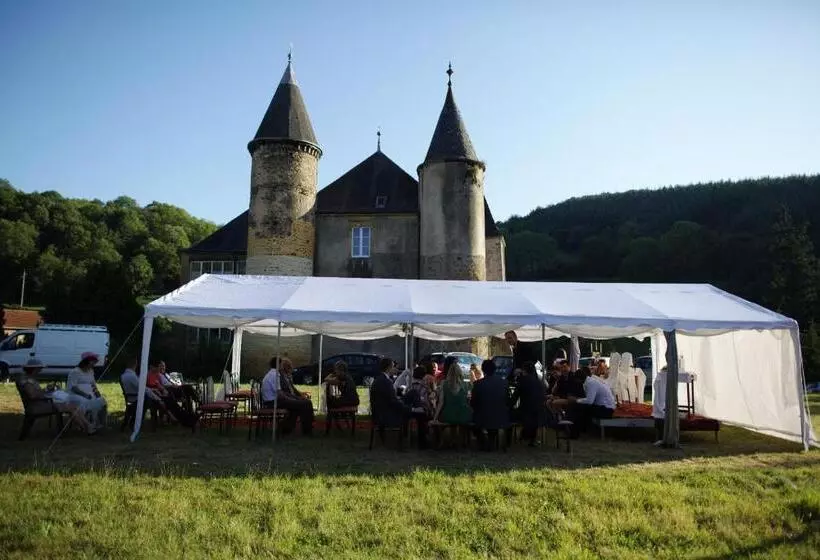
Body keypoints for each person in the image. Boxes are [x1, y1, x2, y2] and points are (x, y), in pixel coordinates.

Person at [19, 358, 96, 434]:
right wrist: (47, 395)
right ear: (34, 369)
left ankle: (86, 426)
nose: (40, 370)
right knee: (71, 407)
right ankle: (86, 427)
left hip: (40, 404)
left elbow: (36, 393)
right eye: (39, 368)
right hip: (38, 406)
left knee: (73, 406)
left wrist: (46, 390)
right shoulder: (27, 381)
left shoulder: (29, 379)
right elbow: (33, 395)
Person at [471, 359, 511, 450]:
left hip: (483, 417)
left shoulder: (478, 384)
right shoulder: (504, 383)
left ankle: (485, 442)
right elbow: (507, 400)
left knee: (473, 422)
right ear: (495, 369)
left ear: (483, 370)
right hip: (501, 416)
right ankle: (490, 441)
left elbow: (473, 403)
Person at [567, 366, 616, 436]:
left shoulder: (591, 383)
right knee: (580, 407)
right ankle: (577, 430)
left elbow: (589, 401)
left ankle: (574, 433)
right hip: (603, 407)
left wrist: (575, 400)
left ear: (579, 379)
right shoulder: (589, 381)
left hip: (606, 410)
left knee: (578, 408)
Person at [370, 357, 410, 437]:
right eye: (393, 367)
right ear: (388, 368)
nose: (395, 369)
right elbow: (393, 401)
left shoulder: (379, 379)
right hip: (385, 415)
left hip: (378, 413)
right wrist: (407, 408)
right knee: (407, 413)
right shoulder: (386, 381)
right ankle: (404, 438)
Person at [66, 352, 107, 431]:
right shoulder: (75, 372)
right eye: (93, 362)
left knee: (102, 401)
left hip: (90, 395)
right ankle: (86, 425)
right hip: (75, 396)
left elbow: (93, 385)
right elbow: (73, 388)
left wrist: (97, 393)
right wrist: (85, 395)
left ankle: (101, 424)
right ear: (87, 362)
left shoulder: (91, 371)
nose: (94, 364)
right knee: (84, 401)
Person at [510, 362, 546, 447]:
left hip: (526, 413)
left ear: (524, 371)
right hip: (540, 413)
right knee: (532, 413)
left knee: (510, 414)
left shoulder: (523, 381)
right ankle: (530, 437)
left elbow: (514, 398)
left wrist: (509, 405)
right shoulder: (539, 382)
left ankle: (508, 440)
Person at [276, 358, 314, 436]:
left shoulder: (287, 376)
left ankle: (288, 428)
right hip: (284, 400)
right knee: (306, 404)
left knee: (305, 403)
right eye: (289, 367)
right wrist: (296, 398)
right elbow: (284, 392)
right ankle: (307, 430)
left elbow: (293, 389)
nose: (291, 368)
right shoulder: (279, 377)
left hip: (291, 398)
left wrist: (301, 395)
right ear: (285, 367)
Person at [402, 365, 433, 449]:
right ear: (423, 375)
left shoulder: (409, 386)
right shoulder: (424, 387)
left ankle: (407, 438)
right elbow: (425, 401)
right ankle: (422, 442)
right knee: (424, 417)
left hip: (408, 410)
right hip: (420, 410)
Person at [435, 361, 472, 425]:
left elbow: (441, 402)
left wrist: (435, 418)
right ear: (460, 372)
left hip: (448, 415)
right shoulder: (466, 384)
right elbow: (469, 400)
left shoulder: (444, 383)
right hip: (463, 415)